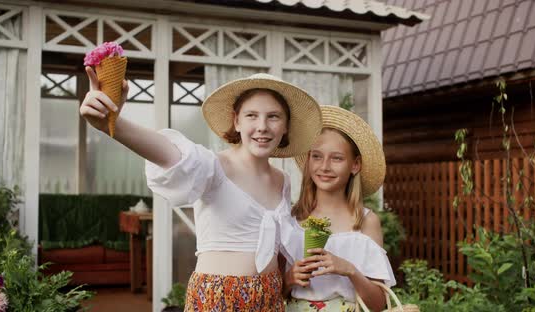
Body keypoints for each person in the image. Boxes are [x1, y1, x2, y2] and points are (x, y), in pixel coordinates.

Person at [79, 69, 322, 311]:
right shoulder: (213, 166)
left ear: (286, 126)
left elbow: (274, 247)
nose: (262, 126)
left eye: (273, 117)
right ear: (236, 121)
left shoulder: (283, 180)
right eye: (251, 115)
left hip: (270, 296)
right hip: (219, 297)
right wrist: (114, 124)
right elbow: (169, 154)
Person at [280, 105, 395, 312]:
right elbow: (273, 293)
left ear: (355, 165)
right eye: (316, 156)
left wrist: (350, 270)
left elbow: (379, 305)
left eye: (337, 158)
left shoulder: (366, 222)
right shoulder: (290, 219)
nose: (324, 167)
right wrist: (289, 279)